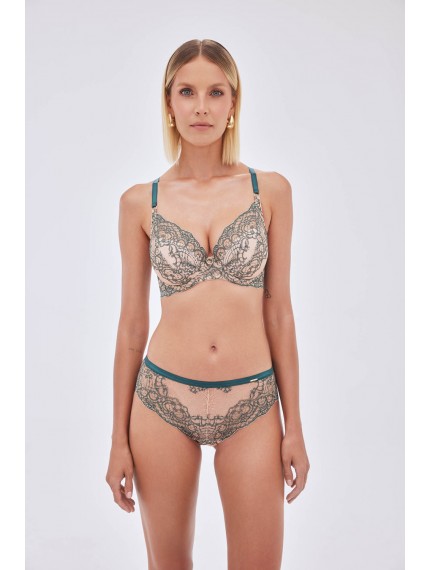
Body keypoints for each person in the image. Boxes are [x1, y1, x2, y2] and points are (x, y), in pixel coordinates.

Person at [105, 38, 310, 570]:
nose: (201, 107)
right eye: (187, 92)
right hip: (161, 402)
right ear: (169, 103)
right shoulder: (139, 202)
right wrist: (117, 439)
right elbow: (131, 327)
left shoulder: (270, 191)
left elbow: (280, 313)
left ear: (234, 102)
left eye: (216, 92)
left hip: (253, 403)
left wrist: (294, 426)